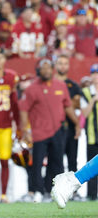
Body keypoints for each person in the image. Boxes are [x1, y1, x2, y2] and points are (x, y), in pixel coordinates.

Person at [18, 59, 81, 203]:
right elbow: (23, 110)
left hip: (58, 130)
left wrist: (77, 123)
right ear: (38, 70)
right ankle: (38, 191)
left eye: (48, 68)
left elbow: (68, 107)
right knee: (37, 163)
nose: (46, 70)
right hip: (39, 131)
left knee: (57, 162)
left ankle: (53, 191)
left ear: (52, 69)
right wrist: (25, 130)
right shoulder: (31, 88)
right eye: (43, 68)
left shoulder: (61, 86)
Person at [0, 47, 19, 203]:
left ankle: (4, 194)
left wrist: (19, 125)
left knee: (5, 160)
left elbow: (15, 104)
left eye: (1, 57)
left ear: (5, 60)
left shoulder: (11, 77)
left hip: (6, 126)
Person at [55, 55, 81, 176]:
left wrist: (63, 102)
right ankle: (53, 189)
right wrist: (69, 102)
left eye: (65, 63)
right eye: (60, 63)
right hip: (53, 128)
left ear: (69, 66)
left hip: (70, 126)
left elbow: (77, 104)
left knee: (72, 160)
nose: (63, 66)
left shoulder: (73, 85)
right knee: (55, 160)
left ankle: (73, 191)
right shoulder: (50, 83)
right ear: (55, 65)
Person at [76, 63, 98, 200]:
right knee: (92, 166)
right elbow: (84, 112)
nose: (96, 77)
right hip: (92, 134)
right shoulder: (85, 92)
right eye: (94, 74)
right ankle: (91, 195)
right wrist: (94, 100)